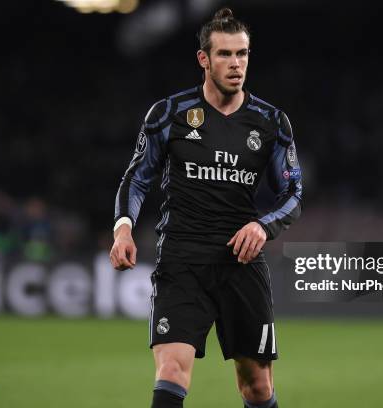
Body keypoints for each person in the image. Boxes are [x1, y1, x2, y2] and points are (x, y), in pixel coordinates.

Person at [110, 8, 302, 408]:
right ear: (204, 59)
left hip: (242, 263)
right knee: (171, 371)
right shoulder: (169, 115)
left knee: (257, 387)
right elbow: (138, 176)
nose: (236, 64)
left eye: (243, 54)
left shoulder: (271, 123)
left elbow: (294, 193)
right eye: (225, 54)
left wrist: (263, 227)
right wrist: (123, 228)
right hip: (182, 259)